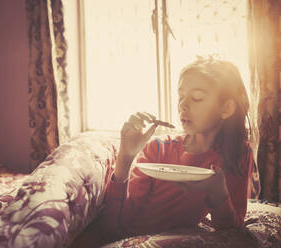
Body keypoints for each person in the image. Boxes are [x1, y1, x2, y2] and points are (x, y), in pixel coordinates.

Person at [71, 56, 255, 247]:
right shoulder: (158, 150)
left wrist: (219, 193)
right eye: (181, 96)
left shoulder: (238, 154)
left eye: (197, 97)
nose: (183, 105)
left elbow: (232, 232)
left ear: (226, 108)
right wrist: (125, 157)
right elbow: (115, 227)